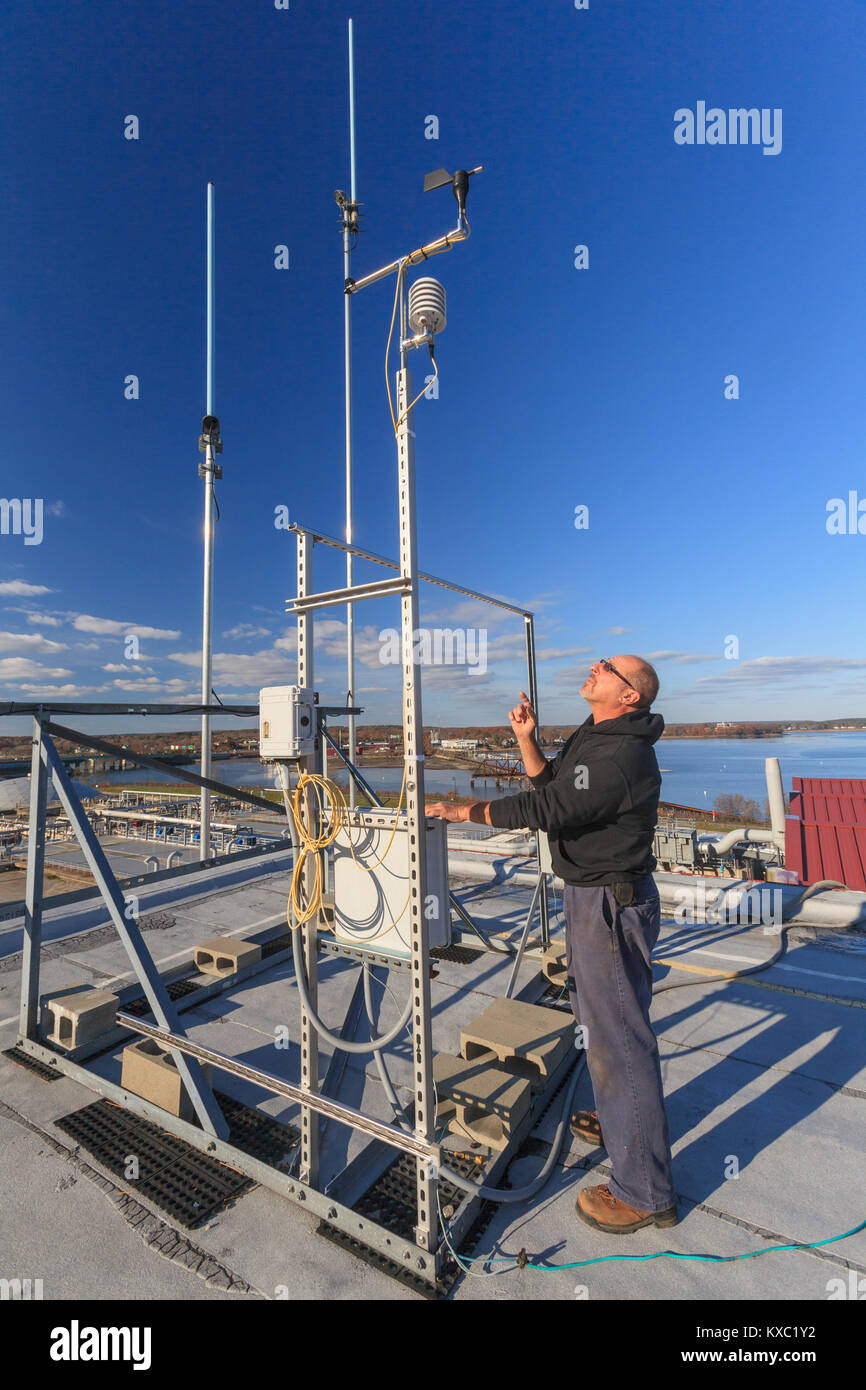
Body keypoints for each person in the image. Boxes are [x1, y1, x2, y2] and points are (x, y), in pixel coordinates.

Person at [426, 656, 678, 1234]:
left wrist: (460, 810)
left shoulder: (621, 753)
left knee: (620, 1039)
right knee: (603, 1022)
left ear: (629, 696)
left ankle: (644, 1191)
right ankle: (624, 1125)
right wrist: (527, 741)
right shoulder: (600, 734)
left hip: (609, 906)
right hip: (593, 898)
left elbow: (546, 809)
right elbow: (552, 786)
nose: (596, 666)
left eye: (608, 667)